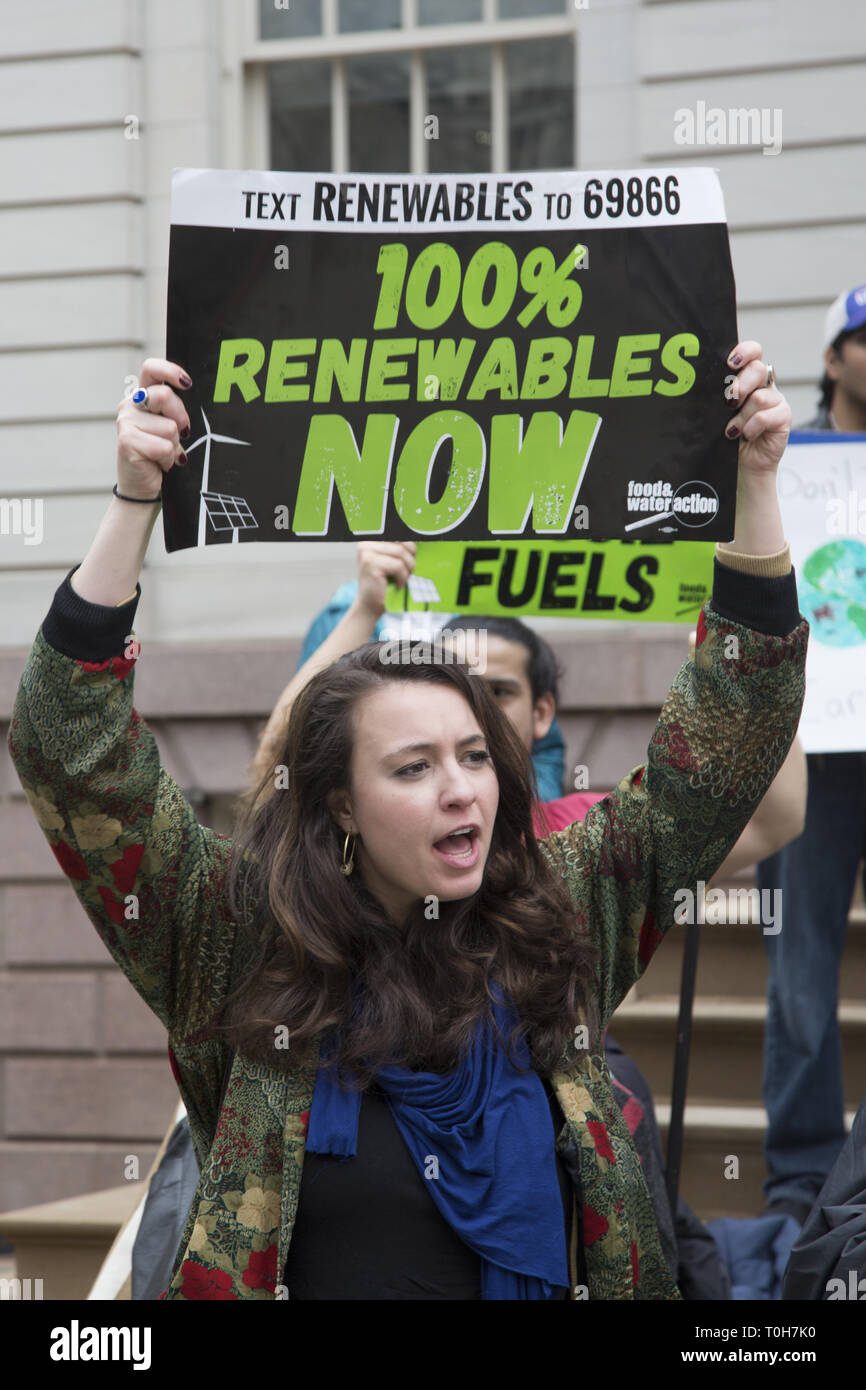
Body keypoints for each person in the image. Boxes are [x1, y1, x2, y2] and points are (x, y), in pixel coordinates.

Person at [9, 343, 807, 1301]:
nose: (461, 789)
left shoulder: (563, 918)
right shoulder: (236, 941)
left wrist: (754, 483)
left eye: (474, 757)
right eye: (414, 767)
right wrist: (136, 498)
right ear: (340, 801)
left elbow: (722, 748)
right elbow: (69, 747)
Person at [756, 283, 866, 1225]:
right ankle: (799, 1179)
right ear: (832, 358)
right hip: (811, 747)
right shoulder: (783, 460)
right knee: (800, 967)